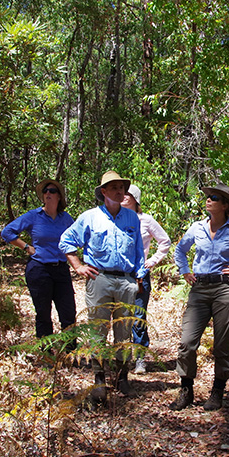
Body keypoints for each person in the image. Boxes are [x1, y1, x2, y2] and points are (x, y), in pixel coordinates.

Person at [170, 183, 229, 411]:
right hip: (200, 289)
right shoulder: (197, 228)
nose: (208, 200)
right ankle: (186, 389)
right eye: (208, 197)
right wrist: (185, 270)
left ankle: (217, 391)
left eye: (214, 198)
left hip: (225, 290)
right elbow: (180, 250)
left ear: (225, 206)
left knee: (221, 344)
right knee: (187, 343)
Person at [59, 171, 147, 403]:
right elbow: (66, 241)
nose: (119, 191)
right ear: (104, 192)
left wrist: (138, 277)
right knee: (97, 330)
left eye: (122, 188)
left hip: (126, 281)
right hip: (99, 279)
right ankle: (99, 380)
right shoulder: (89, 217)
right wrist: (78, 265)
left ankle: (122, 377)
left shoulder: (132, 218)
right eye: (114, 188)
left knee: (124, 331)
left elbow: (139, 250)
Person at [1, 179, 76, 347]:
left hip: (61, 269)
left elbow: (77, 236)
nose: (48, 193)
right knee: (43, 313)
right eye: (46, 191)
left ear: (59, 197)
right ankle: (46, 352)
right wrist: (26, 247)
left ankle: (70, 353)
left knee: (68, 313)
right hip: (39, 270)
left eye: (52, 191)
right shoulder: (33, 216)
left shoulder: (66, 218)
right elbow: (7, 232)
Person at [121, 183, 171, 374]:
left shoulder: (146, 220)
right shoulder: (115, 218)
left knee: (138, 316)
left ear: (136, 199)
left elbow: (164, 241)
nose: (124, 196)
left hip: (140, 277)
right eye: (122, 193)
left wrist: (152, 261)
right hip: (119, 275)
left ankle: (140, 358)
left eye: (128, 194)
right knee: (121, 316)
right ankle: (122, 357)